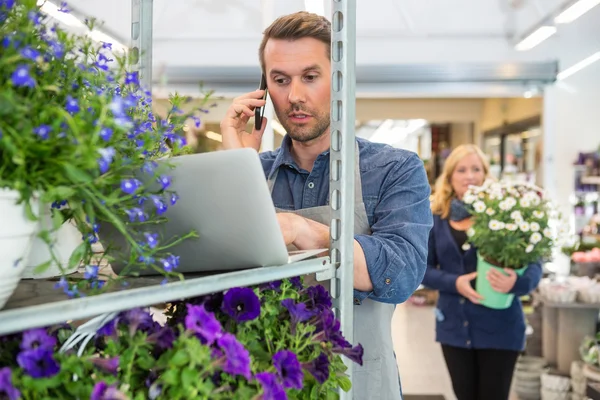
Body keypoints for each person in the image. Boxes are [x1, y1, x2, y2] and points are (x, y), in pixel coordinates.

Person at [219, 11, 433, 400]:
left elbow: (402, 273)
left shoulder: (394, 169)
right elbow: (216, 276)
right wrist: (237, 168)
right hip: (265, 386)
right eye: (280, 80)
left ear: (338, 81)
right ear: (264, 90)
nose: (294, 95)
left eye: (310, 77)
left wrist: (305, 232)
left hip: (361, 384)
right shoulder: (256, 172)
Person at [421, 144, 543, 400]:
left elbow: (534, 264)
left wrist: (516, 283)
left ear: (487, 175)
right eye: (462, 170)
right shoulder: (435, 218)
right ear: (450, 177)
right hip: (454, 328)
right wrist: (455, 283)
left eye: (476, 169)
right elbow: (422, 269)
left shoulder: (508, 214)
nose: (470, 176)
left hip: (501, 327)